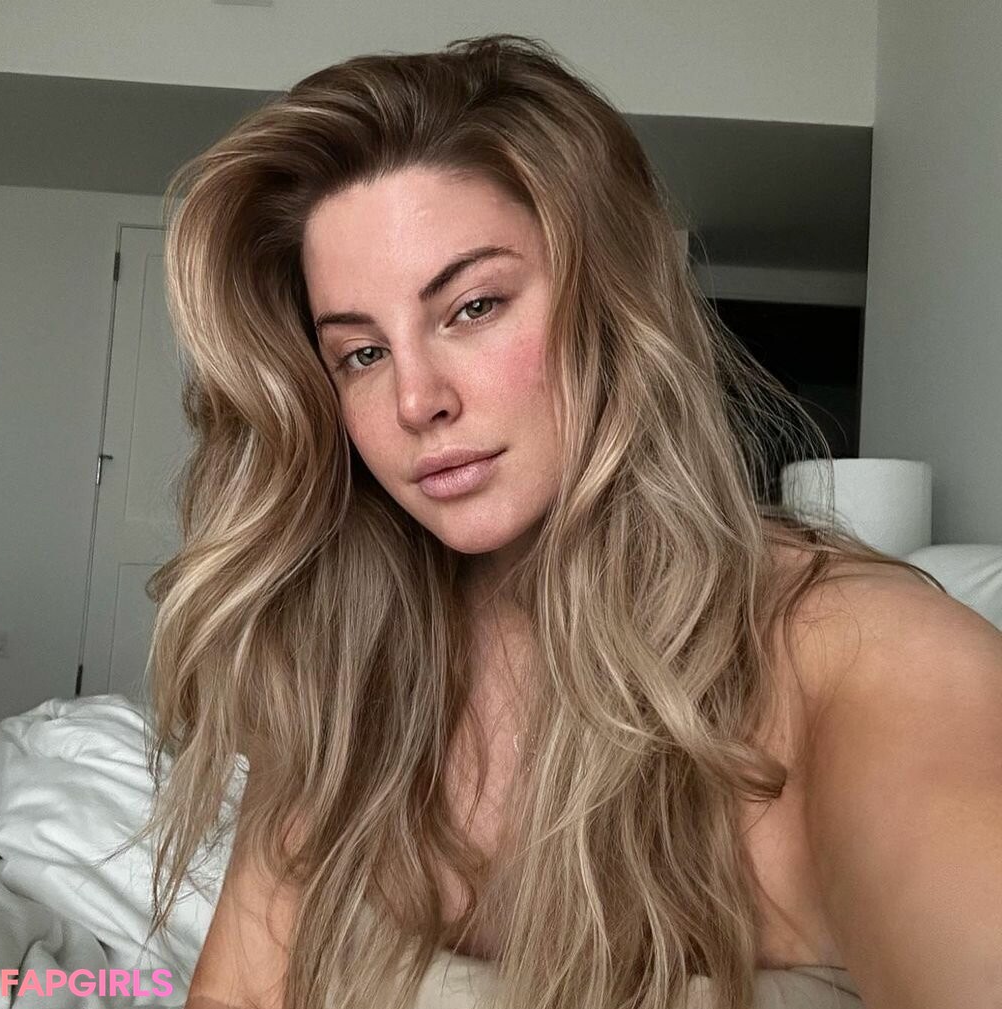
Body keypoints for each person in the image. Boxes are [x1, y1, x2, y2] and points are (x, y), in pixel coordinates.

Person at [129, 33, 1002, 1009]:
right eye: (362, 354)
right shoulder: (348, 668)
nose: (416, 399)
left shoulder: (863, 657)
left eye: (472, 306)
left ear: (612, 298)